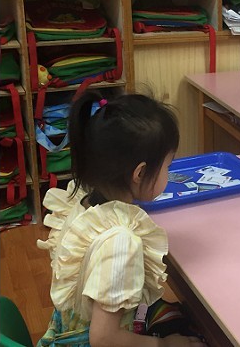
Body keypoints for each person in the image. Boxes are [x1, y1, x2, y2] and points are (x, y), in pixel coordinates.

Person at [36, 90, 206, 347]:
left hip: (68, 330)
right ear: (140, 173)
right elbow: (103, 339)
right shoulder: (121, 243)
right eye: (167, 167)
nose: (168, 175)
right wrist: (165, 345)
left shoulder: (83, 203)